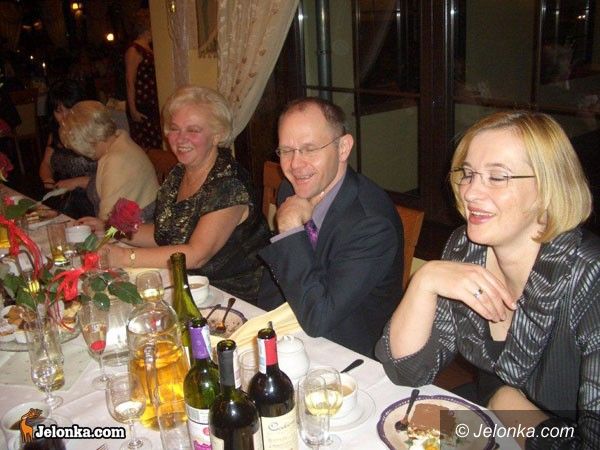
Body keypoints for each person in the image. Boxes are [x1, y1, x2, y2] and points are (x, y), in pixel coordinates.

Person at [375, 111, 599, 448]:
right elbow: (406, 372)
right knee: (394, 426)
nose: (470, 192)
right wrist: (425, 280)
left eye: (497, 177)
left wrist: (505, 400)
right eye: (468, 174)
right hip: (491, 421)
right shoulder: (466, 248)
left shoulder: (590, 277)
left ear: (547, 188)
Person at [88, 86, 270, 301]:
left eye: (193, 130)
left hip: (236, 296)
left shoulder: (228, 184)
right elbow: (165, 234)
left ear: (217, 135)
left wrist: (124, 257)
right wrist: (113, 229)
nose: (180, 139)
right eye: (175, 129)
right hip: (190, 284)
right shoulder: (179, 173)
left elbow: (196, 255)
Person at [257, 97, 404, 357]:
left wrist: (290, 230)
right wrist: (261, 326)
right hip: (293, 332)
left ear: (343, 148)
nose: (295, 165)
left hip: (349, 353)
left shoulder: (371, 224)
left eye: (309, 149)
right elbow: (277, 276)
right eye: (286, 150)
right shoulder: (290, 190)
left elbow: (319, 319)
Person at [59, 100, 158, 221]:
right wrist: (78, 181)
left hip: (136, 229)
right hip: (133, 225)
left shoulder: (115, 161)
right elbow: (106, 184)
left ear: (87, 141)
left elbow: (109, 222)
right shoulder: (119, 141)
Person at [39, 80, 96, 219]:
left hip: (93, 199)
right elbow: (46, 164)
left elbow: (109, 176)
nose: (64, 117)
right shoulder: (55, 133)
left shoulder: (95, 132)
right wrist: (48, 180)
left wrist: (75, 182)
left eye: (69, 109)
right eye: (58, 111)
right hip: (64, 198)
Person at [124, 9, 162, 150]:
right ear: (147, 28)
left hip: (151, 100)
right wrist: (133, 109)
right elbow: (130, 81)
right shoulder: (134, 50)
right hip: (142, 102)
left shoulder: (148, 48)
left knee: (156, 141)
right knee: (147, 144)